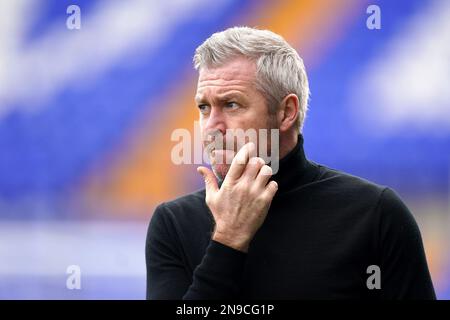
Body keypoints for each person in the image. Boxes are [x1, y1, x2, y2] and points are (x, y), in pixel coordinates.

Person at [145, 26, 435, 299]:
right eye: (204, 107)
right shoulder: (173, 223)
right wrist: (228, 240)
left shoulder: (376, 215)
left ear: (286, 113)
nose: (212, 126)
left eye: (231, 104)